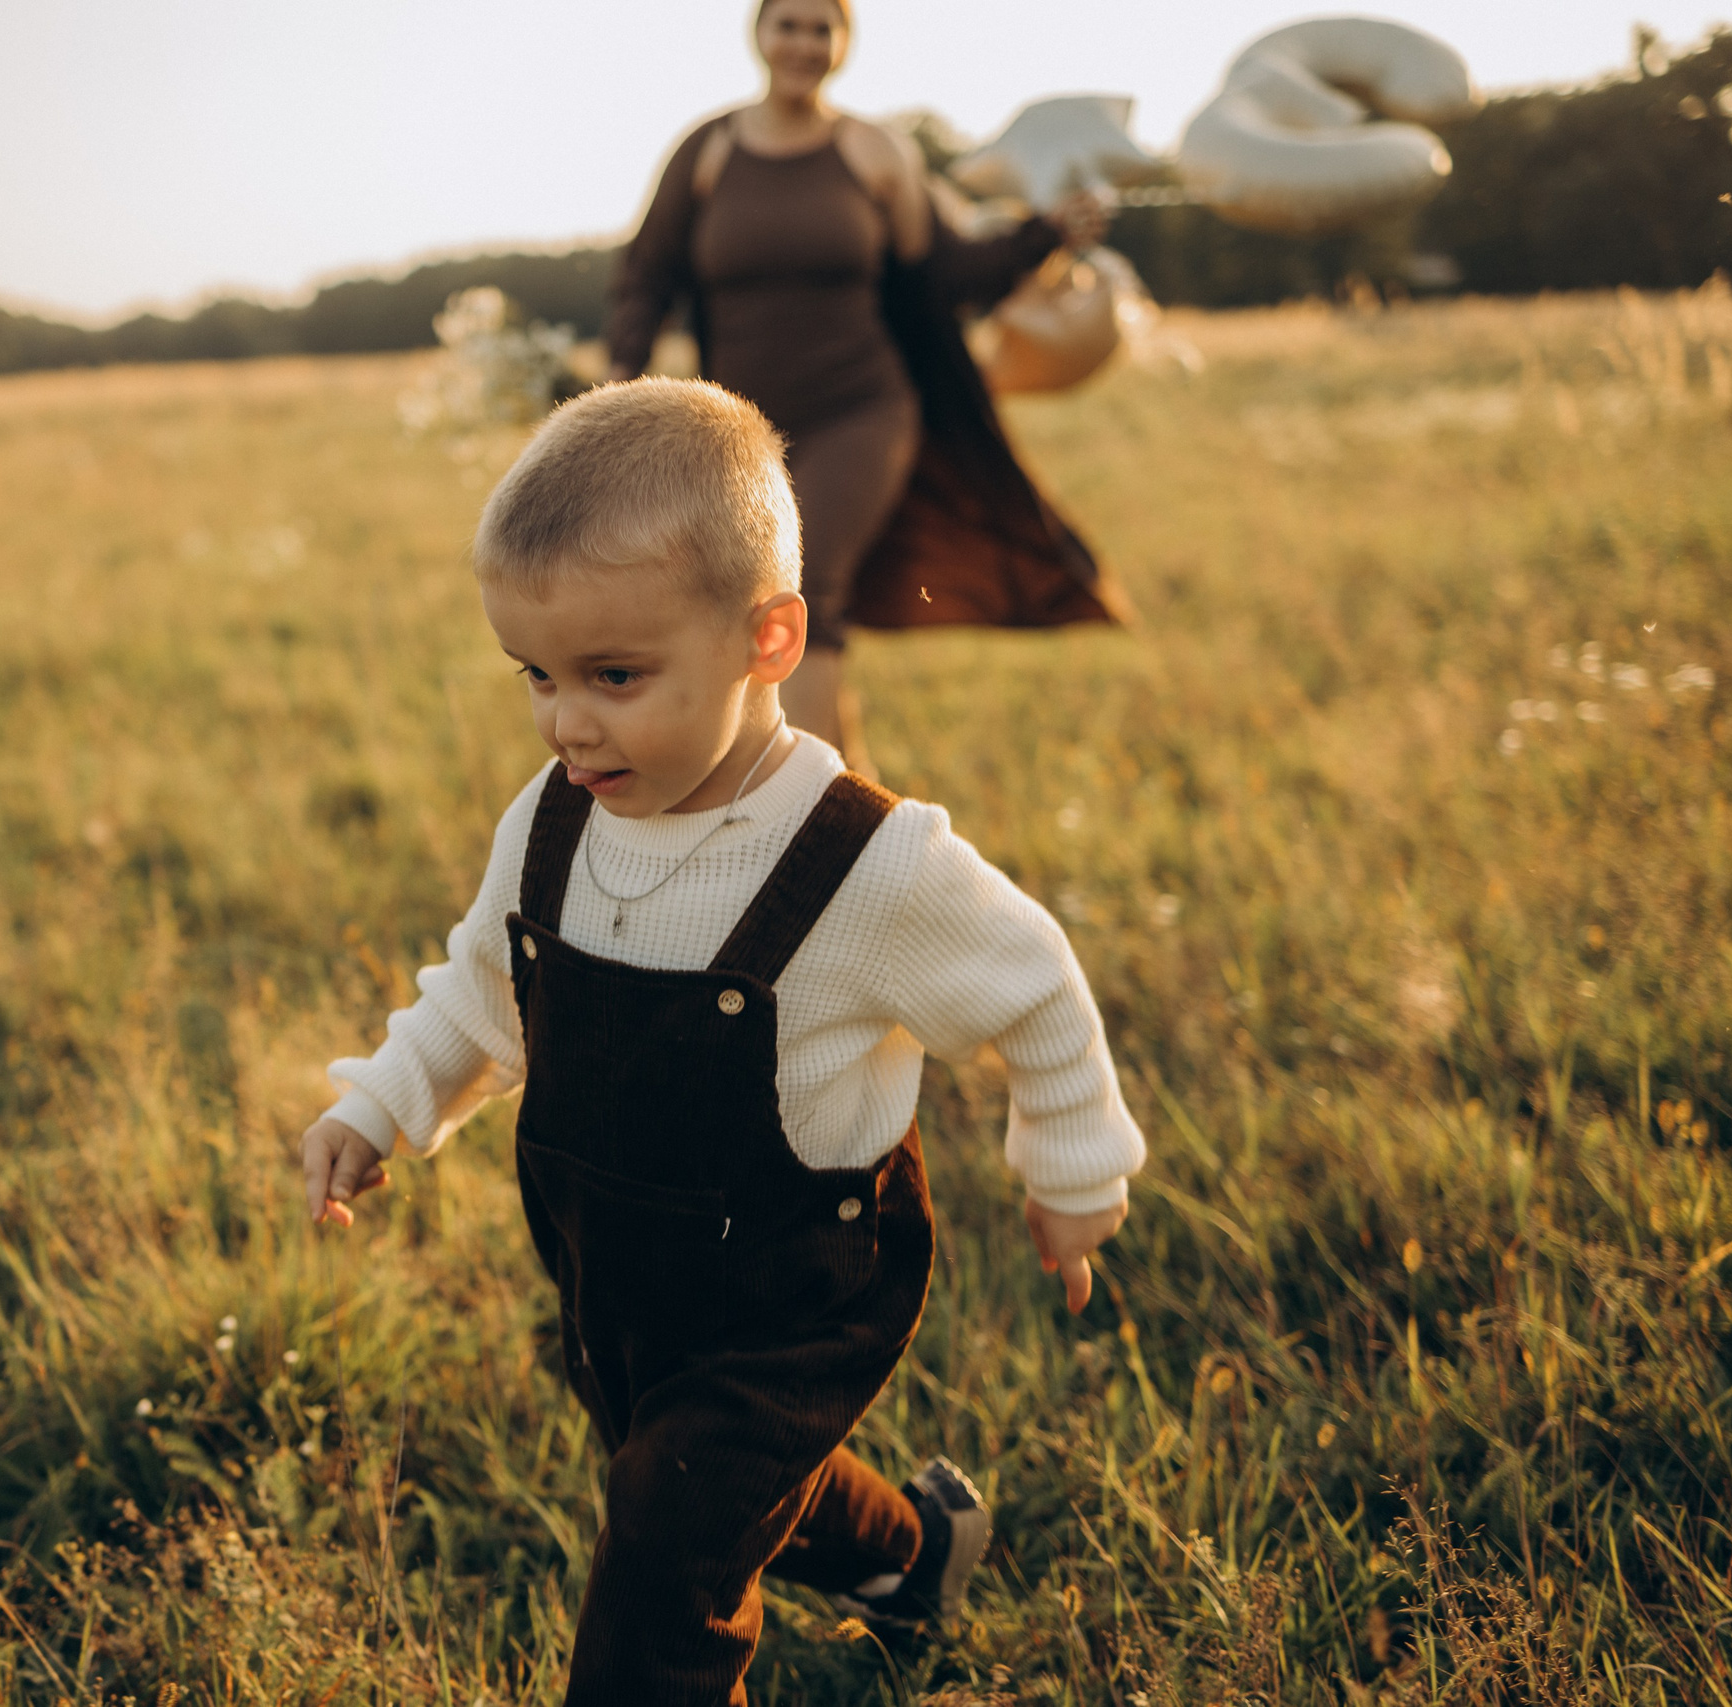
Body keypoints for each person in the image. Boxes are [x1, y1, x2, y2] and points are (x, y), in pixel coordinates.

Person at [297, 379, 1146, 1704]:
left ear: (770, 637)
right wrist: (383, 1099)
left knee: (665, 1537)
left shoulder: (867, 861)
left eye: (615, 676)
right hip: (614, 1264)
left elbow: (1034, 983)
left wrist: (1075, 1171)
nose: (567, 721)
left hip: (798, 1285)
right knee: (705, 1475)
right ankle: (918, 1554)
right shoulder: (554, 818)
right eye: (538, 675)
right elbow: (486, 983)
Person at [607, 0, 1129, 772]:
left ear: (845, 43)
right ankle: (850, 799)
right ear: (759, 34)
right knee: (746, 600)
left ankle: (819, 818)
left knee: (804, 589)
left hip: (862, 411)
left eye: (824, 28)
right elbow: (646, 275)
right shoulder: (708, 152)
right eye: (790, 24)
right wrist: (623, 387)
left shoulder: (874, 151)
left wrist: (1045, 233)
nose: (805, 43)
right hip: (740, 428)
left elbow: (945, 272)